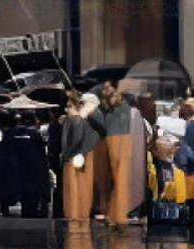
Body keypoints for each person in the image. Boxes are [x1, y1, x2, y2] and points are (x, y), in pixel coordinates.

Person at [91, 80, 139, 226]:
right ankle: (111, 212)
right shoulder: (111, 112)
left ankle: (116, 213)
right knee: (111, 181)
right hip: (112, 148)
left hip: (118, 147)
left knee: (117, 181)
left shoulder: (121, 111)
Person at [59, 94, 101, 221]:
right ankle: (81, 213)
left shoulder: (75, 120)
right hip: (83, 155)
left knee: (72, 187)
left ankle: (73, 213)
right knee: (83, 186)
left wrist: (67, 154)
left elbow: (75, 140)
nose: (66, 109)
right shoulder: (84, 120)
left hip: (73, 157)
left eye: (69, 107)